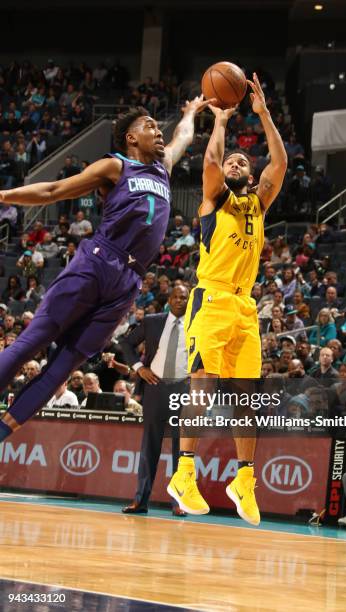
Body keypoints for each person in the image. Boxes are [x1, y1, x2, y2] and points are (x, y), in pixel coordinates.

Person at [0, 96, 211, 443]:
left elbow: (184, 136)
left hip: (128, 283)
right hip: (98, 261)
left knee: (61, 370)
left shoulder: (164, 168)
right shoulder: (116, 167)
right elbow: (54, 190)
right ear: (130, 137)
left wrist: (190, 112)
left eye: (159, 128)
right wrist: (5, 196)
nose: (159, 132)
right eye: (150, 127)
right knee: (30, 343)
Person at [168, 73, 287, 526]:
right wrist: (219, 122)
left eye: (243, 162)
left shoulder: (259, 203)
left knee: (246, 397)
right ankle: (183, 473)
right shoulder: (214, 202)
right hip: (211, 299)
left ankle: (245, 480)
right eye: (233, 163)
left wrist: (265, 116)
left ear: (252, 176)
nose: (235, 164)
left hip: (245, 306)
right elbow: (212, 161)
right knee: (203, 384)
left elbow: (281, 163)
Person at [120, 286, 189, 516]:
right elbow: (126, 343)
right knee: (150, 445)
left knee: (182, 449)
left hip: (184, 389)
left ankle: (179, 502)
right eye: (177, 296)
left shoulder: (197, 325)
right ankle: (140, 501)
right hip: (155, 386)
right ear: (169, 299)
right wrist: (139, 368)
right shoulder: (152, 321)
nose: (180, 300)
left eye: (185, 297)